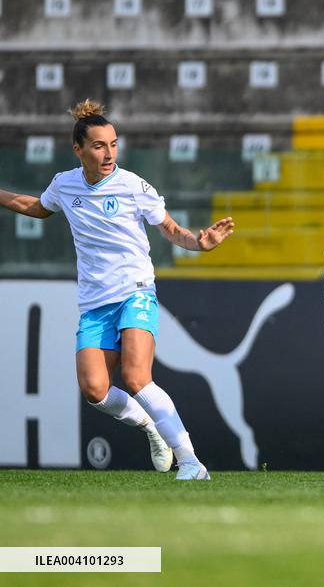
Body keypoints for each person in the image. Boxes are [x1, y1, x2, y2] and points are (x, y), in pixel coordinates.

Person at [0, 99, 234, 480]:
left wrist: (199, 242)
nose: (109, 154)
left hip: (135, 292)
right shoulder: (64, 185)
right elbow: (36, 206)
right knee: (95, 390)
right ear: (78, 150)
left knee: (137, 377)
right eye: (99, 146)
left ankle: (191, 461)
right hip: (95, 303)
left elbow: (171, 229)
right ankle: (150, 425)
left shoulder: (133, 186)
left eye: (113, 144)